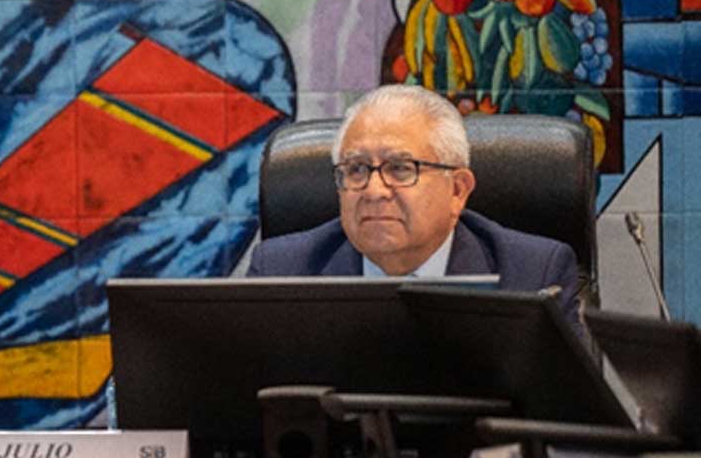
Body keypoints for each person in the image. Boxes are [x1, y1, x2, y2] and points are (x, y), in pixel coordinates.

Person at [246, 85, 582, 325]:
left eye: (401, 169)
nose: (374, 190)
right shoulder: (282, 273)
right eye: (357, 169)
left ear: (458, 191)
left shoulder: (532, 276)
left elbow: (563, 414)